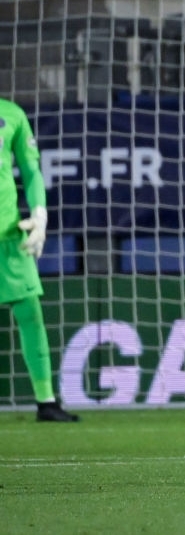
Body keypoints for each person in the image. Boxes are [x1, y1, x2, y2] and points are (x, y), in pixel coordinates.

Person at [0, 97, 79, 422]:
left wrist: (40, 214)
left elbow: (31, 169)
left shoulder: (11, 114)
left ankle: (46, 401)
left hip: (7, 233)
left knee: (30, 312)